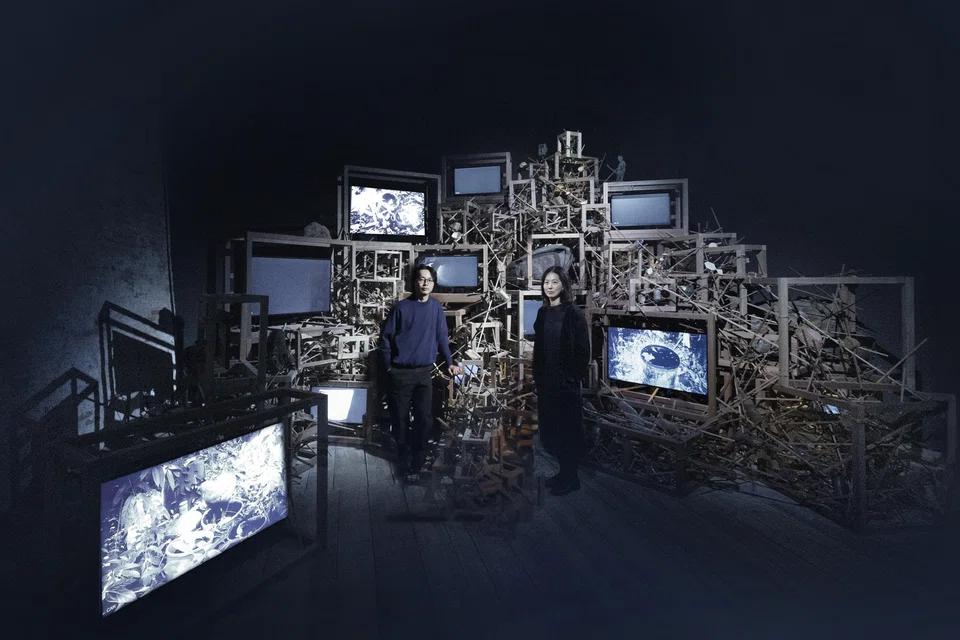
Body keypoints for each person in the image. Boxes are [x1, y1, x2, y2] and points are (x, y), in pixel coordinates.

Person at [379, 264, 462, 475]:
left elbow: (443, 337)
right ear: (414, 282)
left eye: (430, 280)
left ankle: (419, 455)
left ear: (433, 284)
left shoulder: (435, 308)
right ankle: (404, 455)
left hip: (425, 372)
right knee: (400, 418)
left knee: (424, 418)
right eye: (421, 279)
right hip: (401, 373)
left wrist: (450, 361)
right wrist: (389, 367)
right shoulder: (401, 308)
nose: (425, 283)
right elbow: (385, 339)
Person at [532, 265, 590, 495]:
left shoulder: (573, 312)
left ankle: (570, 478)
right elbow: (539, 349)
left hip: (565, 383)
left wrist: (572, 377)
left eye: (554, 282)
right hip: (547, 382)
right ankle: (562, 475)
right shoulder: (542, 313)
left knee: (569, 430)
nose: (549, 286)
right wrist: (538, 378)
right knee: (552, 430)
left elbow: (583, 351)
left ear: (563, 285)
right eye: (546, 282)